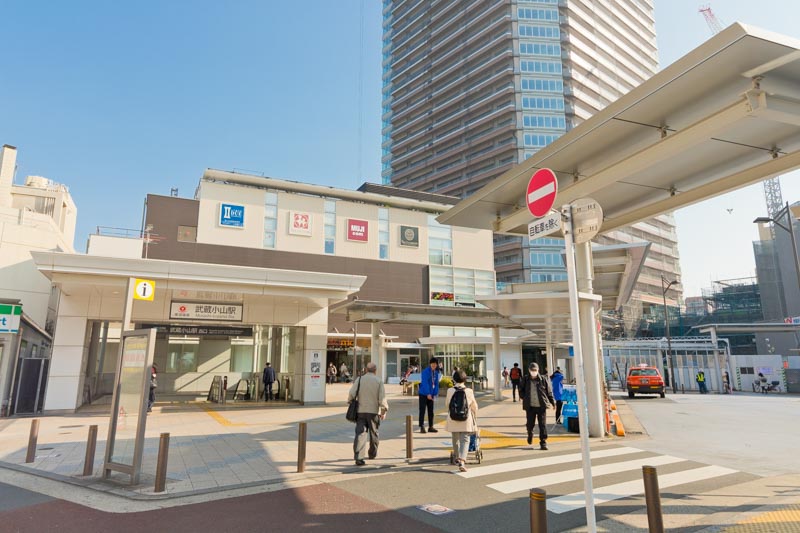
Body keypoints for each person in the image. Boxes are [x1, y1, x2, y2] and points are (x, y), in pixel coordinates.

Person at [348, 362, 388, 466]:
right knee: (374, 433)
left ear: (366, 370)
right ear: (375, 371)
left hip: (360, 411)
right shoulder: (378, 381)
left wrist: (350, 401)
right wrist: (383, 411)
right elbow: (382, 398)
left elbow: (352, 393)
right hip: (373, 411)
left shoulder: (360, 379)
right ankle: (372, 453)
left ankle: (359, 457)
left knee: (360, 434)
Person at [445, 369, 478, 472]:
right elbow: (474, 407)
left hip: (453, 419)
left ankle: (456, 458)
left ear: (454, 379)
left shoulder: (450, 391)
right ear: (465, 379)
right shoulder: (469, 391)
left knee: (455, 439)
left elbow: (447, 405)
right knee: (465, 439)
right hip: (465, 419)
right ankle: (462, 461)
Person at [520, 362, 555, 450]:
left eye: (535, 370)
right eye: (532, 370)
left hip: (541, 406)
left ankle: (543, 442)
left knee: (542, 425)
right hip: (530, 406)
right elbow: (521, 390)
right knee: (530, 424)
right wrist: (524, 397)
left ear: (538, 370)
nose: (533, 372)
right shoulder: (525, 379)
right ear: (529, 370)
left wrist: (552, 402)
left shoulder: (543, 379)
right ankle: (530, 433)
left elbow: (548, 392)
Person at [418, 357, 441, 433]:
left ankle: (431, 426)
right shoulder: (425, 372)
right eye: (433, 364)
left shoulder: (436, 373)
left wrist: (435, 393)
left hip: (431, 395)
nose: (434, 365)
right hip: (423, 394)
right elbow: (425, 383)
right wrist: (428, 393)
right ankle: (421, 426)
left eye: (435, 364)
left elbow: (436, 384)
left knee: (431, 411)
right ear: (430, 364)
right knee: (422, 410)